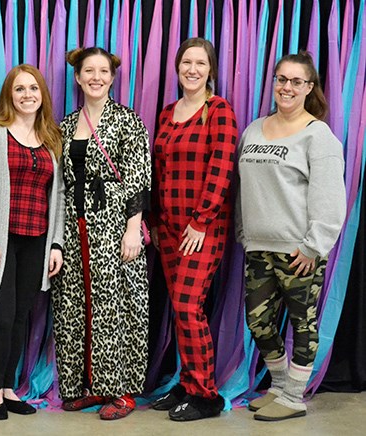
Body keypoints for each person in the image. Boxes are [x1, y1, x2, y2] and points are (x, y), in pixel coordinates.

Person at [236, 51, 346, 421]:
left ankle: (295, 396)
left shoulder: (318, 135)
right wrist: (243, 229)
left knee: (303, 323)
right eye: (281, 79)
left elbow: (330, 196)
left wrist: (315, 246)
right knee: (259, 323)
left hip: (299, 250)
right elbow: (244, 187)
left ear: (309, 87)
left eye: (296, 81)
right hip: (258, 246)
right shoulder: (254, 129)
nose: (287, 87)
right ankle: (280, 387)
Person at [52, 47, 151, 421]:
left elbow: (139, 178)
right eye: (88, 71)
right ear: (77, 78)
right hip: (73, 227)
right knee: (75, 306)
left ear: (112, 77)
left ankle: (121, 390)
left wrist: (131, 230)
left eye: (103, 71)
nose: (96, 77)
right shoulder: (63, 125)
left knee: (116, 306)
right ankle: (87, 386)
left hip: (113, 225)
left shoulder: (127, 121)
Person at [0, 64, 64, 420]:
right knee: (3, 318)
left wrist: (56, 244)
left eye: (33, 89)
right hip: (0, 243)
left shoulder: (50, 137)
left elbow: (60, 195)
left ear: (42, 95)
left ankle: (8, 389)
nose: (27, 95)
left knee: (21, 317)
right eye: (19, 89)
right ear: (10, 94)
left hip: (36, 240)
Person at [149, 37, 237, 421]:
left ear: (210, 69)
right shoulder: (168, 113)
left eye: (200, 63)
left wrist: (201, 220)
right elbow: (158, 169)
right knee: (181, 310)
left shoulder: (218, 111)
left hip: (201, 228)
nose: (193, 69)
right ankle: (187, 385)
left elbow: (221, 169)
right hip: (167, 228)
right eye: (187, 62)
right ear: (178, 67)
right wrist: (152, 220)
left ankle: (206, 394)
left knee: (188, 306)